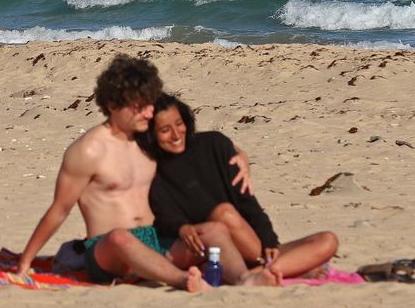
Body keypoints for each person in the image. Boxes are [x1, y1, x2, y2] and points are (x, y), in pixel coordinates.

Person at [14, 55, 276, 291]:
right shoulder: (88, 151)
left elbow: (197, 142)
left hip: (157, 241)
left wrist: (241, 154)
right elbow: (59, 209)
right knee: (120, 237)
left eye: (150, 104)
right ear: (113, 104)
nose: (150, 113)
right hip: (108, 252)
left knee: (215, 230)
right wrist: (26, 261)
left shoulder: (146, 140)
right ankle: (183, 280)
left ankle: (244, 278)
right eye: (140, 107)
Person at [144, 94, 340, 280]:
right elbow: (165, 214)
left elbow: (246, 200)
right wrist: (181, 227)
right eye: (165, 130)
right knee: (224, 213)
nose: (176, 134)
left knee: (328, 240)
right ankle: (288, 268)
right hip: (215, 249)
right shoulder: (154, 168)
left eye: (179, 124)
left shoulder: (214, 144)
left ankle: (264, 270)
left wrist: (269, 239)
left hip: (251, 243)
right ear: (151, 134)